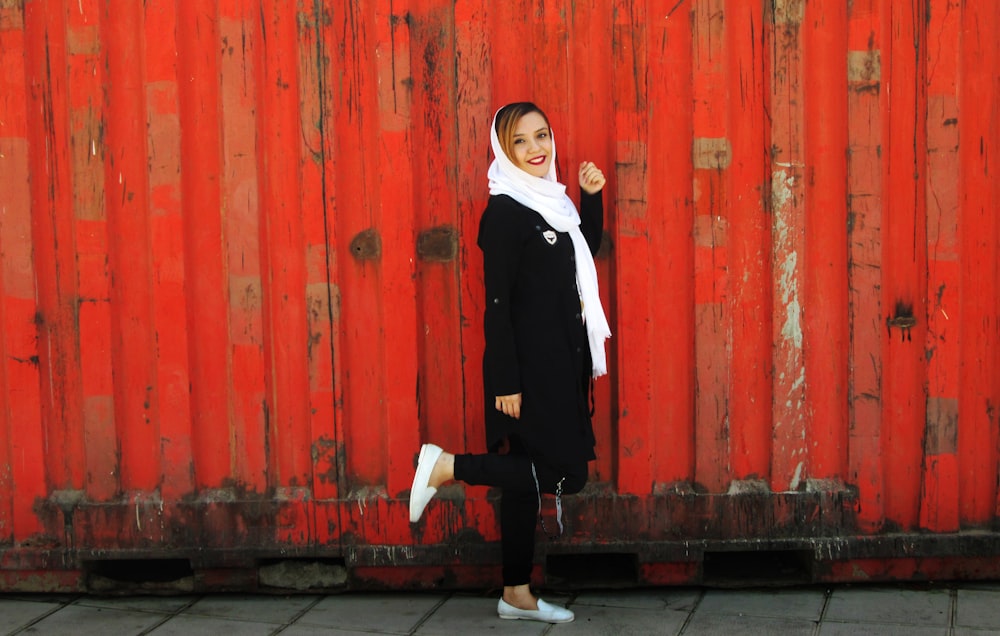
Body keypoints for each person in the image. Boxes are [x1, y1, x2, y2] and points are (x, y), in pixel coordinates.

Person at [409, 102, 610, 624]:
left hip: (560, 367)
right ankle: (447, 467)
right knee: (566, 474)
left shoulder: (554, 206)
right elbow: (495, 304)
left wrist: (592, 200)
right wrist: (506, 381)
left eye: (541, 135)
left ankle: (515, 594)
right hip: (526, 373)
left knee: (527, 480)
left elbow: (582, 253)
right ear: (504, 150)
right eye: (520, 141)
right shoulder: (503, 213)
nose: (536, 148)